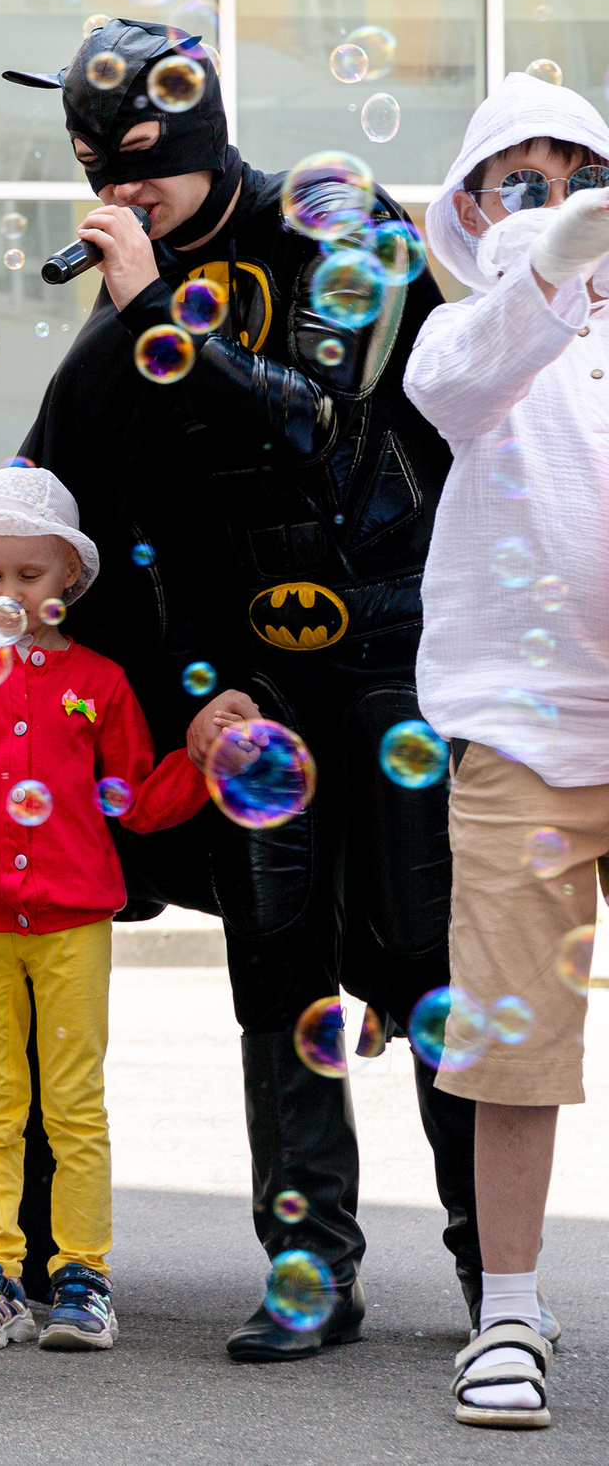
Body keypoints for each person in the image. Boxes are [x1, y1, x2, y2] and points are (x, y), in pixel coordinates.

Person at [0, 18, 481, 1362]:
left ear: (196, 134)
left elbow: (315, 431)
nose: (119, 188)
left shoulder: (335, 232)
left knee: (428, 964)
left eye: (141, 158)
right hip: (256, 687)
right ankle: (313, 1263)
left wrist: (151, 312)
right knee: (277, 975)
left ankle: (502, 1273)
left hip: (393, 657)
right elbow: (149, 530)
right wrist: (197, 687)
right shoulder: (142, 291)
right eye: (95, 163)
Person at [0, 469, 207, 1355]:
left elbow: (137, 802)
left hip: (74, 928)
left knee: (74, 1106)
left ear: (68, 578)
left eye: (29, 576)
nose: (9, 593)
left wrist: (204, 756)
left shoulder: (100, 682)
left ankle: (83, 1275)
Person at [403, 73, 609, 1428]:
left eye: (574, 178)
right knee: (514, 1039)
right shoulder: (460, 337)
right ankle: (512, 1317)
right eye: (517, 183)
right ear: (473, 210)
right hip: (524, 732)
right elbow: (470, 379)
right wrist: (558, 262)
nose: (544, 203)